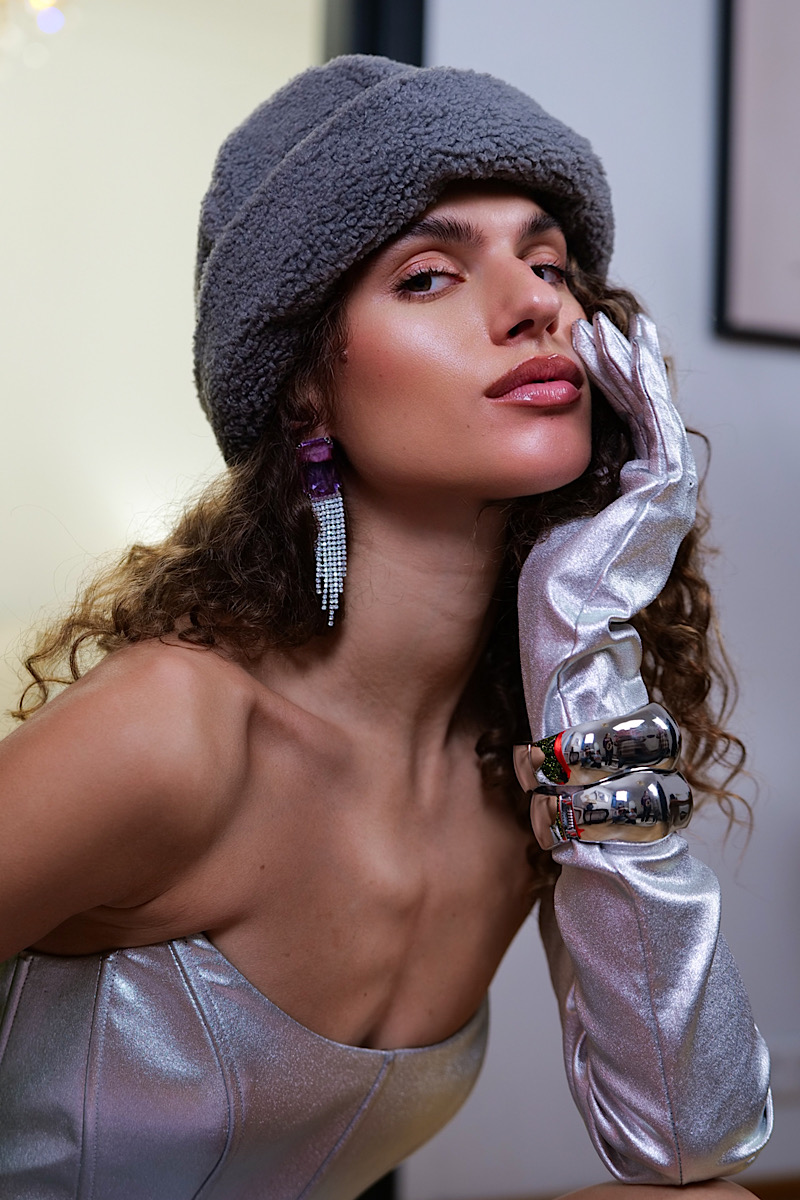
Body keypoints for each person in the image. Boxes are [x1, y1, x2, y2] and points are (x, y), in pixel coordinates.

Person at [0, 56, 771, 1199]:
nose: (535, 305)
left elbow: (689, 1146)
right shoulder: (171, 729)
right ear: (304, 386)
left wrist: (580, 635)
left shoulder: (519, 767)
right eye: (426, 277)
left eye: (547, 263)